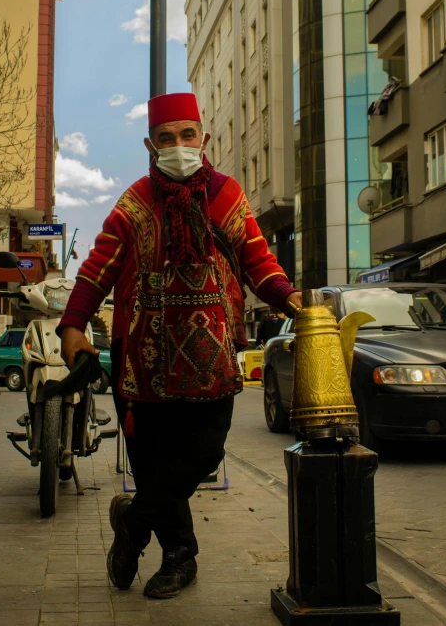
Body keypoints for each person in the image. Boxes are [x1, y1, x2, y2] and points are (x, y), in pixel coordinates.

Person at [58, 92, 302, 599]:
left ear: (203, 137)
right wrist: (73, 325)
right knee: (152, 461)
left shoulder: (227, 195)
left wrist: (290, 298)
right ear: (151, 144)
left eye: (186, 135)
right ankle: (179, 557)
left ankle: (133, 520)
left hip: (210, 356)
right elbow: (98, 267)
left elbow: (259, 261)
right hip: (139, 358)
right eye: (166, 138)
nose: (178, 146)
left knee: (202, 452)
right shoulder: (135, 202)